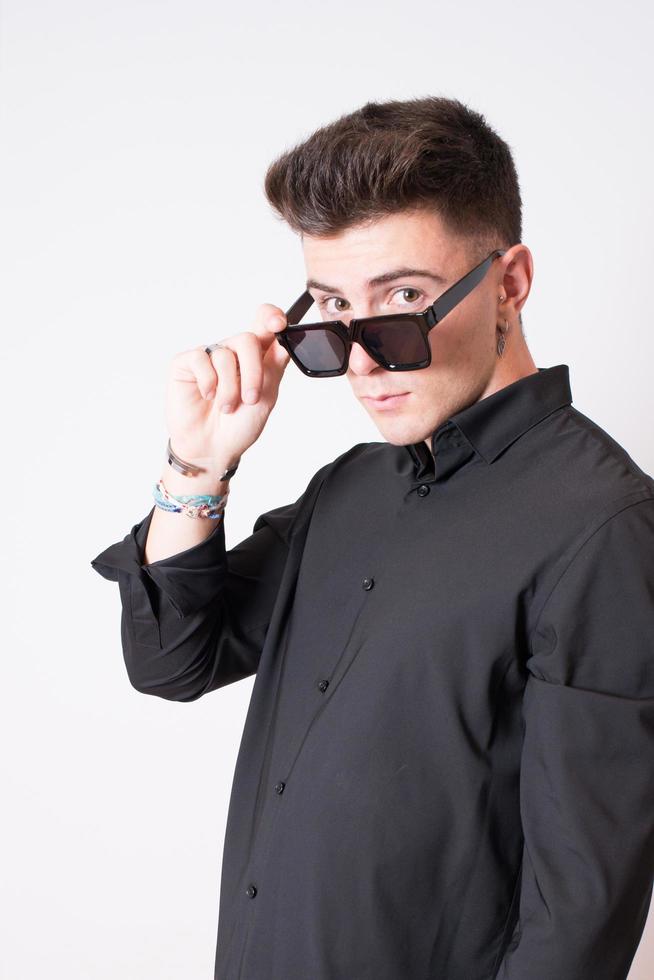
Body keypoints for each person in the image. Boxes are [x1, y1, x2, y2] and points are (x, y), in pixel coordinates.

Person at [90, 96, 654, 980]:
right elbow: (172, 660)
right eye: (330, 312)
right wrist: (197, 466)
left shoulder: (606, 529)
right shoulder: (352, 489)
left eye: (401, 302)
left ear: (509, 283)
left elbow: (577, 918)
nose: (358, 359)